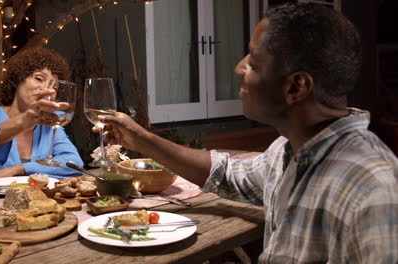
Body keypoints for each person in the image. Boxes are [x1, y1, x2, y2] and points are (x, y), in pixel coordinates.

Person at [93, 3, 398, 263]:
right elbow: (225, 173)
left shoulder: (372, 191)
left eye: (252, 61)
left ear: (295, 87)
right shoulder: (287, 151)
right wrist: (140, 139)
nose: (239, 68)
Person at [0, 47, 83, 189]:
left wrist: (19, 169)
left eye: (54, 87)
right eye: (38, 79)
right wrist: (22, 122)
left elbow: (74, 163)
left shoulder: (49, 126)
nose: (47, 90)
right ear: (18, 79)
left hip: (29, 207)